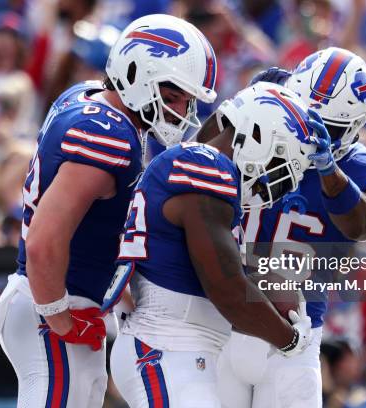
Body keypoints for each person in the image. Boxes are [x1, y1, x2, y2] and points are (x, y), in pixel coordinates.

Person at [0, 14, 218, 407]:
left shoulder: (87, 96)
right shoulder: (109, 135)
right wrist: (57, 315)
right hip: (54, 302)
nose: (180, 112)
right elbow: (44, 239)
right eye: (173, 97)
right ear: (136, 75)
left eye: (186, 101)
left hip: (62, 299)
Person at [103, 81, 318, 407]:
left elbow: (221, 271)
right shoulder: (205, 167)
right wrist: (290, 340)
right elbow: (227, 289)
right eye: (278, 163)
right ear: (258, 136)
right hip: (164, 345)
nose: (275, 182)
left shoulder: (206, 170)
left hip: (182, 351)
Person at [216, 47, 366, 408]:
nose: (311, 130)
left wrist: (330, 172)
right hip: (221, 322)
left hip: (294, 335)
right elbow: (194, 164)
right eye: (303, 113)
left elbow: (364, 225)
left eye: (327, 127)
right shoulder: (262, 124)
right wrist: (237, 114)